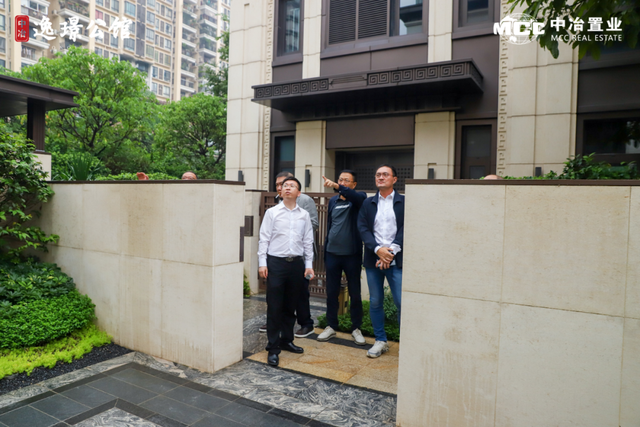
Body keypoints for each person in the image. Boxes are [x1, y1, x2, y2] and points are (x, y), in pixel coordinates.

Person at [258, 176, 315, 367]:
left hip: (296, 264)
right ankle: (273, 348)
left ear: (299, 193)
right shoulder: (272, 213)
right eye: (285, 185)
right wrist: (262, 263)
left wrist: (309, 264)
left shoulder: (304, 215)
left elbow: (308, 241)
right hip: (276, 263)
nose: (288, 188)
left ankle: (286, 340)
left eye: (292, 186)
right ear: (281, 191)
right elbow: (264, 239)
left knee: (291, 306)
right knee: (275, 307)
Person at [357, 164, 404, 358]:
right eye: (378, 175)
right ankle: (380, 340)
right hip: (373, 259)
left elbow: (407, 227)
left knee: (401, 302)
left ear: (394, 179)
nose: (381, 177)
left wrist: (390, 252)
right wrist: (378, 250)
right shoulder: (368, 203)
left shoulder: (403, 202)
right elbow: (362, 228)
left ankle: (406, 343)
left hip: (396, 258)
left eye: (385, 174)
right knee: (375, 301)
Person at [317, 171, 367, 345]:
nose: (342, 182)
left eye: (346, 180)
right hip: (332, 253)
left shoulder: (359, 198)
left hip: (351, 254)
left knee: (355, 293)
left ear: (354, 184)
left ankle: (356, 328)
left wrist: (337, 186)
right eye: (340, 180)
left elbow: (356, 197)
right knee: (331, 292)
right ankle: (331, 326)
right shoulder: (333, 201)